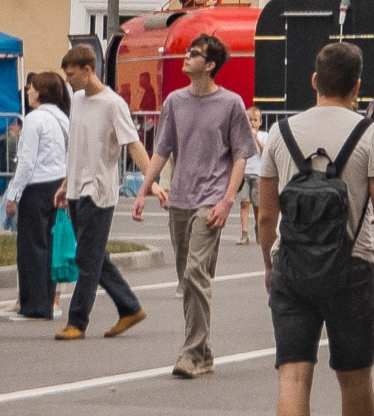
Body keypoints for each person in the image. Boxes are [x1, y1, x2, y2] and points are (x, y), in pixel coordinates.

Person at [257, 38, 374, 416]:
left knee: (293, 375)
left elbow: (266, 215)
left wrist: (269, 264)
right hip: (351, 268)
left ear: (315, 81)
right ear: (358, 86)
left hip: (293, 268)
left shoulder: (281, 133)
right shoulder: (372, 133)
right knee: (354, 377)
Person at [132, 30, 254, 378]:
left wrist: (227, 200)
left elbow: (242, 155)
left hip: (211, 200)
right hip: (180, 199)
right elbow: (162, 149)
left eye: (194, 54)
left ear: (210, 64)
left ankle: (190, 354)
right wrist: (144, 189)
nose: (186, 57)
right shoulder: (175, 102)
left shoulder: (231, 104)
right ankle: (204, 352)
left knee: (195, 273)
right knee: (188, 280)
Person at [54, 42, 155, 343]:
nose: (68, 80)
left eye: (72, 74)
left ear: (88, 70)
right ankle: (130, 307)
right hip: (76, 187)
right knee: (93, 254)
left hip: (98, 190)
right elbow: (77, 146)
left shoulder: (113, 104)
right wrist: (65, 183)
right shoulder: (77, 100)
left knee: (86, 257)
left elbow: (133, 144)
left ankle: (77, 321)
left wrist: (151, 181)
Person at [3, 70, 70, 322]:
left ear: (41, 92)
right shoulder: (62, 118)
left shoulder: (34, 119)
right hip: (57, 183)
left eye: (32, 88)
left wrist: (13, 194)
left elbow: (27, 162)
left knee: (31, 248)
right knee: (49, 246)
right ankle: (46, 302)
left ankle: (33, 305)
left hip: (36, 187)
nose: (28, 91)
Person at [237, 101, 266, 245]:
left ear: (260, 122)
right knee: (244, 202)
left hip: (258, 173)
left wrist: (256, 138)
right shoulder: (241, 136)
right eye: (249, 120)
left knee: (257, 204)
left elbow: (265, 152)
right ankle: (244, 234)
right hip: (244, 173)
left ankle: (259, 230)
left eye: (255, 120)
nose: (252, 123)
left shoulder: (264, 135)